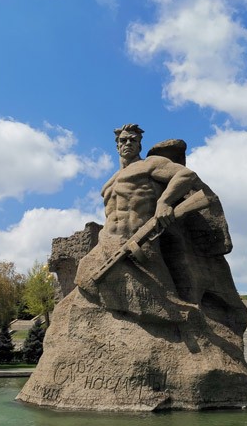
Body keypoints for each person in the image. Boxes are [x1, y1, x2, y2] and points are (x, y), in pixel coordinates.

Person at [73, 124, 201, 322]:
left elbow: (186, 175)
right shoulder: (108, 183)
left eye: (133, 140)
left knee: (163, 303)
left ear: (140, 145)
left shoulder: (149, 164)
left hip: (140, 242)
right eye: (123, 140)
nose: (128, 143)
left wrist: (164, 202)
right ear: (117, 146)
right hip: (107, 244)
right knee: (85, 277)